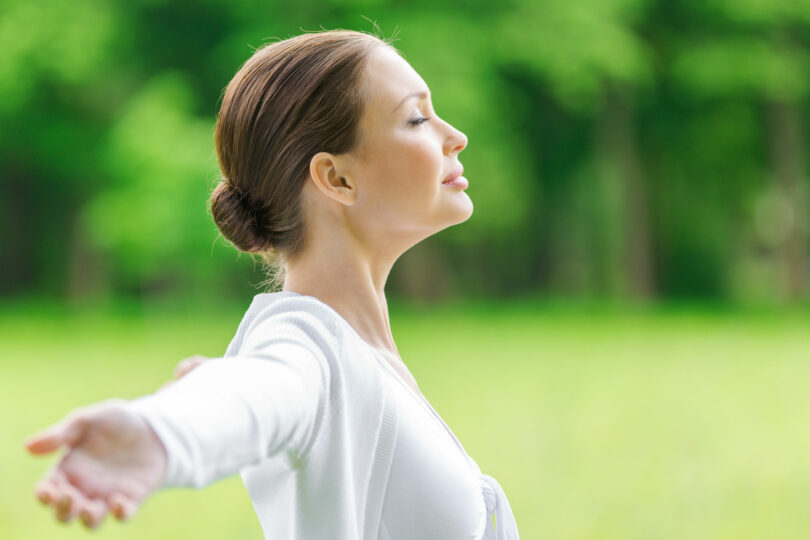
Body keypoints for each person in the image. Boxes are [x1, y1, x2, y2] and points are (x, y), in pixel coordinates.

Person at [24, 28, 520, 539]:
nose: (454, 135)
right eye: (417, 118)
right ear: (337, 179)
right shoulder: (310, 342)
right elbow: (261, 392)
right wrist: (160, 432)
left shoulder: (361, 354)